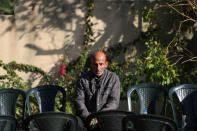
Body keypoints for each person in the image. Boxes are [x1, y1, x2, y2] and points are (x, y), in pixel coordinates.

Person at [75, 51, 120, 131]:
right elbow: (79, 101)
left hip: (105, 117)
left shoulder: (113, 78)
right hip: (86, 117)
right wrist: (89, 118)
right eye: (95, 64)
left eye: (101, 64)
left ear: (106, 64)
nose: (98, 68)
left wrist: (98, 118)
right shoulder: (82, 79)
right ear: (91, 64)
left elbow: (113, 102)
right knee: (76, 123)